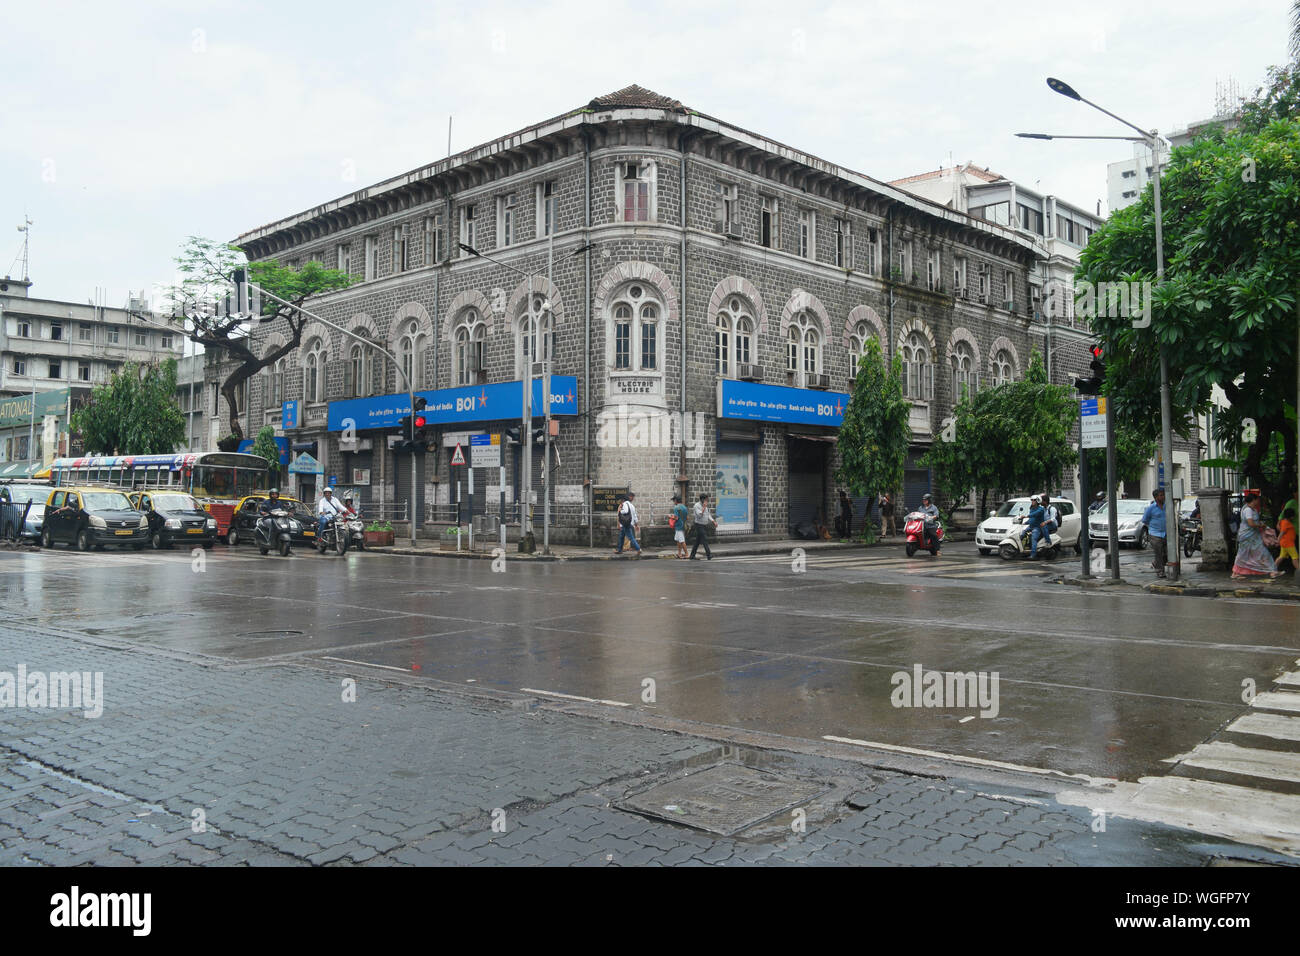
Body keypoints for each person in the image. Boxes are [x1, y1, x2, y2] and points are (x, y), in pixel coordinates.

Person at [1232, 492, 1280, 581]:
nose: (1258, 502)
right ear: (1253, 500)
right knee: (1243, 554)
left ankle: (1272, 571)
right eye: (1257, 500)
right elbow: (1250, 523)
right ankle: (1235, 573)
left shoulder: (1251, 509)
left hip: (1253, 536)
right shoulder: (1248, 510)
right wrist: (1260, 525)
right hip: (1247, 536)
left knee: (1261, 552)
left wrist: (1259, 525)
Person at [1140, 488, 1168, 578]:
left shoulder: (1167, 506)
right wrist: (1153, 527)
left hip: (1166, 533)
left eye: (1163, 495)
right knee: (1158, 553)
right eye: (1161, 495)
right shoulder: (1151, 508)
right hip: (1155, 534)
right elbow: (1145, 520)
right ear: (1156, 497)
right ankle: (1160, 571)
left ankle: (1156, 563)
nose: (1163, 497)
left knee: (1167, 554)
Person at [614, 491, 641, 557]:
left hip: (625, 524)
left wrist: (620, 510)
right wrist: (636, 525)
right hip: (629, 524)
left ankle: (638, 549)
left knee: (631, 537)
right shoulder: (632, 505)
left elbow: (625, 511)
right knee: (621, 537)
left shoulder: (625, 504)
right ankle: (619, 550)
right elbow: (635, 516)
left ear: (623, 500)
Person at [690, 493, 714, 560]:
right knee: (704, 539)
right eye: (706, 499)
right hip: (699, 525)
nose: (707, 501)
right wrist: (703, 507)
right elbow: (699, 515)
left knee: (697, 542)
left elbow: (707, 514)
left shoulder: (705, 506)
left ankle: (692, 555)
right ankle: (709, 555)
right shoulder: (696, 506)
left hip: (704, 525)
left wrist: (713, 521)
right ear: (702, 499)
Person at [1276, 507, 1297, 575]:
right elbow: (1282, 533)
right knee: (1295, 557)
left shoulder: (1283, 521)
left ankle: (1273, 569)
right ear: (1291, 517)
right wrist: (1277, 541)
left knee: (1281, 557)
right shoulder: (1286, 523)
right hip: (1289, 544)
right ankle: (1299, 570)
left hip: (1285, 543)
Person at [670, 494, 689, 559]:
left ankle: (686, 553)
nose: (673, 502)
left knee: (681, 540)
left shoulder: (676, 508)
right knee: (678, 540)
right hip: (683, 525)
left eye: (673, 500)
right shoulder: (684, 507)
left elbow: (676, 518)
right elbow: (687, 517)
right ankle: (679, 553)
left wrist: (670, 517)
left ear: (676, 500)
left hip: (678, 526)